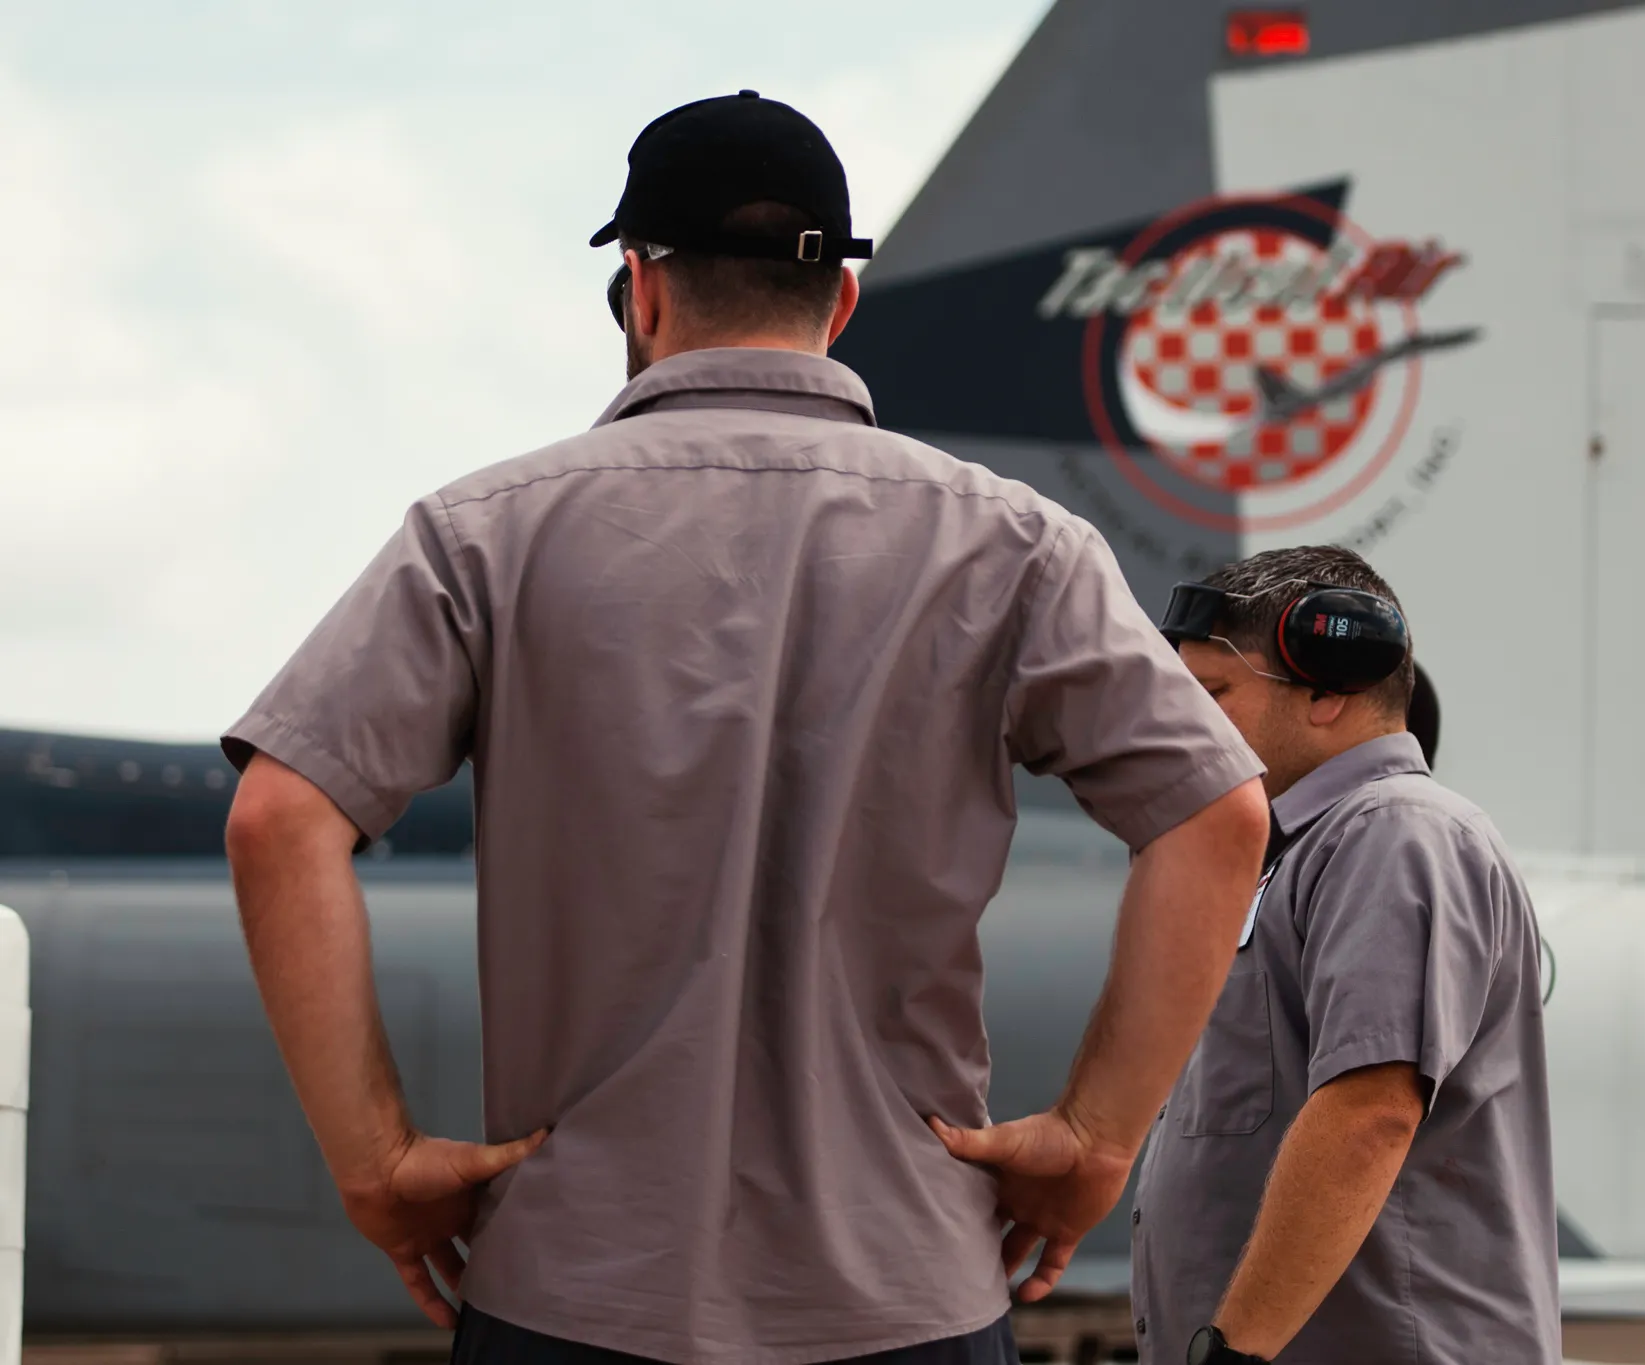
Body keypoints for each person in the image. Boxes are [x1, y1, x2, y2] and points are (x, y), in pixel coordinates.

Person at [220, 90, 1270, 1365]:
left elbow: (279, 817)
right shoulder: (1015, 544)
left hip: (574, 1292)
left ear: (638, 290)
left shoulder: (482, 533)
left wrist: (377, 1160)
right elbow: (1217, 817)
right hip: (909, 1296)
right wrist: (1097, 1141)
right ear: (839, 306)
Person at [954, 545, 1560, 1364]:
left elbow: (1370, 1111)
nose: (1181, 722)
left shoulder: (1393, 830)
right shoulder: (1289, 855)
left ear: (1327, 691)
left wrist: (1235, 1353)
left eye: (1210, 695)